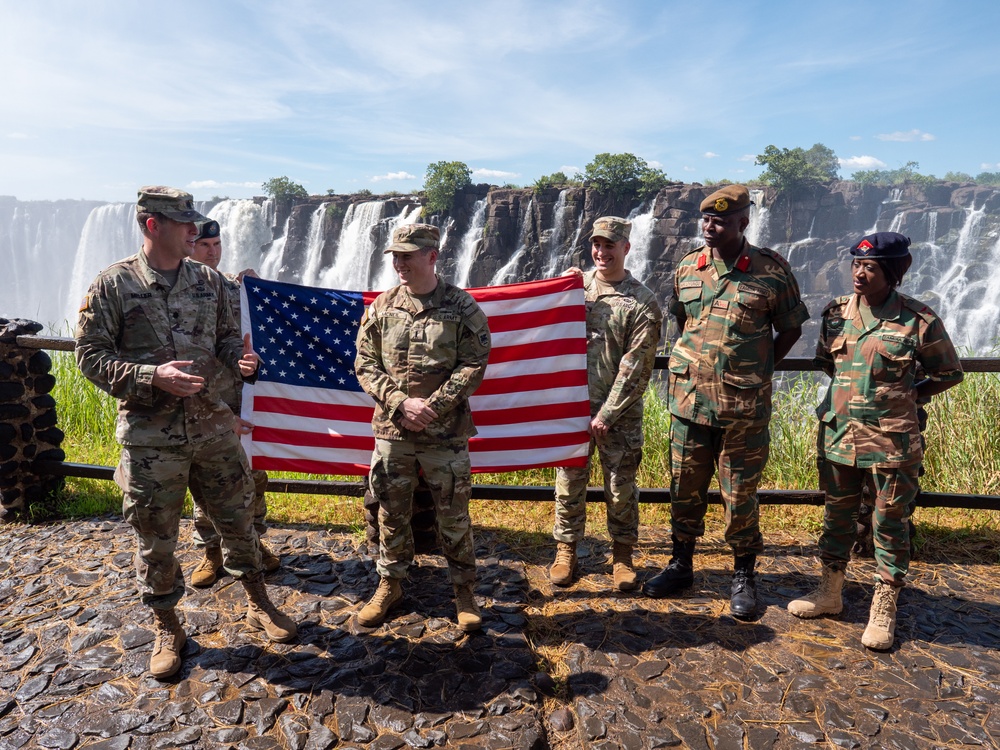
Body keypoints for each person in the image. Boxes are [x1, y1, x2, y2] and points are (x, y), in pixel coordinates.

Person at [75, 186, 296, 681]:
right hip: (151, 438)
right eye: (184, 224)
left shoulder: (207, 282)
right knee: (156, 540)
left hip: (214, 427)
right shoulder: (114, 284)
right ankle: (167, 625)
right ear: (152, 225)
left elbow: (223, 341)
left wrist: (242, 363)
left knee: (239, 522)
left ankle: (260, 603)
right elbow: (89, 356)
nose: (195, 232)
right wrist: (152, 376)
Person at [787, 232, 963, 649]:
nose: (859, 273)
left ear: (893, 272)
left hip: (892, 440)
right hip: (838, 433)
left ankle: (884, 605)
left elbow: (949, 373)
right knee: (837, 517)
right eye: (856, 265)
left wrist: (905, 395)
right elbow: (829, 363)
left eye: (870, 267)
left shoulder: (918, 319)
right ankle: (829, 592)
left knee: (889, 522)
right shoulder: (835, 313)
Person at [643, 185, 809, 619]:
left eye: (719, 220)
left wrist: (760, 366)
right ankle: (681, 565)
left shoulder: (771, 271)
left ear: (743, 222)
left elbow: (791, 327)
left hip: (743, 408)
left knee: (740, 496)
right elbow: (683, 320)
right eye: (705, 220)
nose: (709, 227)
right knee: (684, 487)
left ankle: (744, 575)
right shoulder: (686, 268)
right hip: (688, 403)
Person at [354, 223, 491, 631]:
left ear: (432, 257)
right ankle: (390, 583)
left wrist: (433, 406)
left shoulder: (461, 307)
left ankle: (464, 591)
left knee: (453, 515)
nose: (399, 263)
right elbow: (365, 363)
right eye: (395, 256)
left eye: (407, 255)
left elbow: (474, 363)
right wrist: (400, 404)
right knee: (391, 512)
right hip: (393, 432)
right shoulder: (381, 306)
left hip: (443, 433)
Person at [548, 216, 662, 591]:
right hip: (574, 409)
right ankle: (566, 551)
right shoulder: (573, 289)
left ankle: (623, 555)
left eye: (610, 245)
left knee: (620, 487)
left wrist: (608, 413)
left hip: (620, 415)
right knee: (569, 483)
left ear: (626, 248)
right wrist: (558, 290)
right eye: (597, 244)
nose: (602, 252)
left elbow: (637, 366)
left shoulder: (642, 302)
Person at [187, 219, 279, 586]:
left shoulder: (233, 286)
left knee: (253, 477)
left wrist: (257, 290)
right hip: (201, 407)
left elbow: (253, 337)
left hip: (241, 399)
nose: (212, 251)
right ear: (189, 245)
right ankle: (211, 553)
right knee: (206, 481)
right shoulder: (175, 291)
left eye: (216, 244)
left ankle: (255, 544)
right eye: (204, 244)